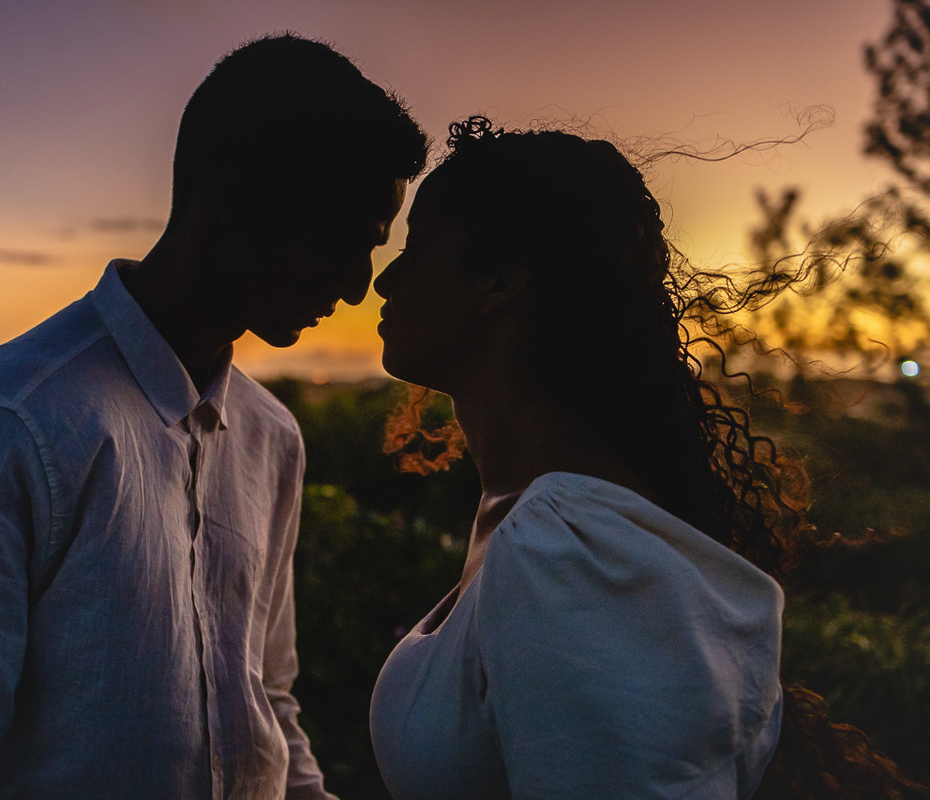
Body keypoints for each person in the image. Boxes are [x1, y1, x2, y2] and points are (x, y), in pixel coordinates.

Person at [0, 34, 427, 799]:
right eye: (340, 240)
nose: (357, 287)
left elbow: (268, 700)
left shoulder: (271, 438)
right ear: (235, 197)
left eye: (372, 250)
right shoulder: (2, 424)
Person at [367, 116, 924, 799]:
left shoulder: (570, 550)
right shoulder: (545, 523)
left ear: (500, 282)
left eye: (416, 250)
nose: (383, 281)